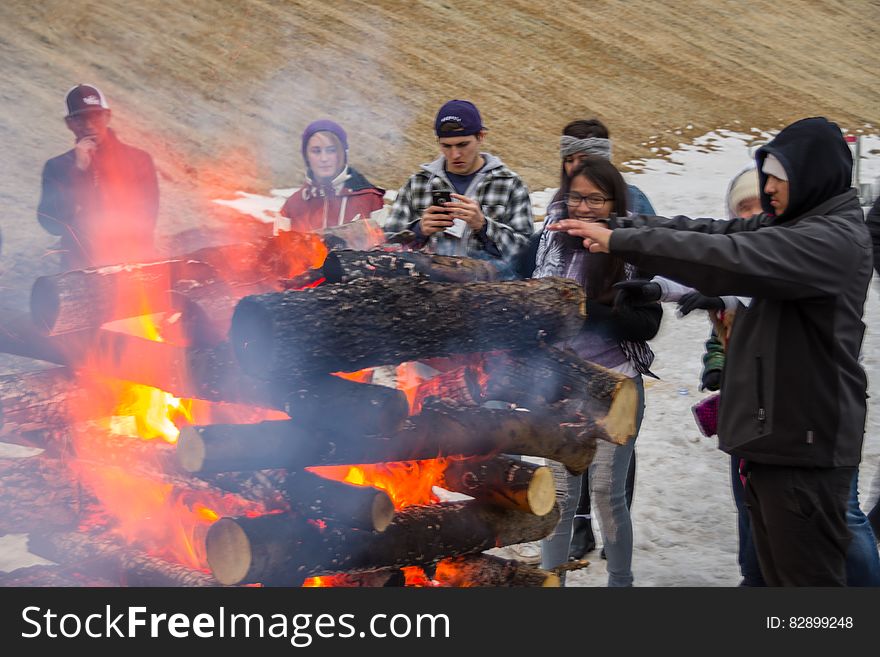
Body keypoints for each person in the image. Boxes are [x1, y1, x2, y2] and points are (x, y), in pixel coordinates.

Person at [549, 117, 872, 586]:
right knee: (770, 577)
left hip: (805, 442)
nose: (769, 187)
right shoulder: (799, 223)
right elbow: (712, 233)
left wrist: (620, 240)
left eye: (778, 177)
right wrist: (621, 224)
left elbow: (726, 260)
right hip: (777, 438)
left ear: (811, 176)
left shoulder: (828, 241)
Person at [534, 155, 661, 586]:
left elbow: (648, 323)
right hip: (561, 386)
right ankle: (552, 584)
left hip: (616, 386)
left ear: (614, 203)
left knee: (608, 494)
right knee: (560, 495)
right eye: (576, 198)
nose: (583, 208)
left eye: (595, 199)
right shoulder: (550, 241)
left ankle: (619, 584)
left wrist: (584, 311)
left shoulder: (631, 248)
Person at [383, 100, 533, 265]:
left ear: (481, 137)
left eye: (463, 145)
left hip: (488, 288)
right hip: (428, 287)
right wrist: (418, 231)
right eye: (446, 146)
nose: (455, 155)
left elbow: (525, 255)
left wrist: (484, 226)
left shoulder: (510, 185)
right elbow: (385, 246)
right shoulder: (417, 184)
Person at [37, 84, 159, 271]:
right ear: (69, 123)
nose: (88, 125)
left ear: (107, 116)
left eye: (95, 116)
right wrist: (78, 171)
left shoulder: (138, 160)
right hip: (80, 271)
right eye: (80, 118)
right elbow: (52, 224)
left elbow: (146, 219)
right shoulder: (57, 167)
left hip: (133, 267)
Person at [278, 119, 385, 232]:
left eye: (331, 150)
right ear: (306, 156)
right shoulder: (292, 206)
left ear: (343, 154)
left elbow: (384, 246)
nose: (324, 158)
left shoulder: (370, 199)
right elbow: (276, 248)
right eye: (316, 151)